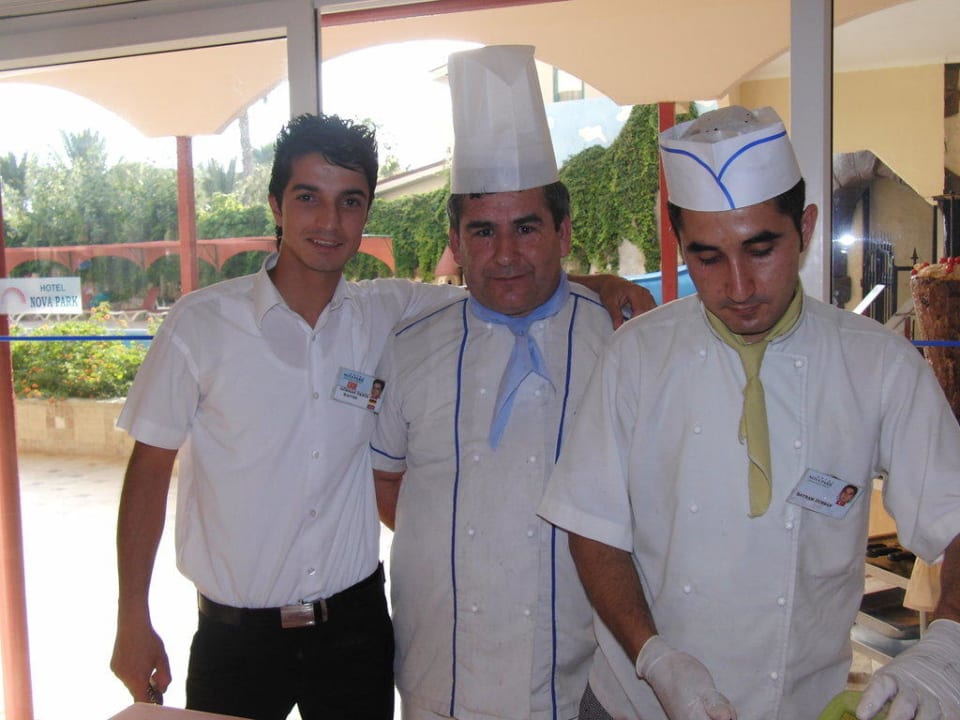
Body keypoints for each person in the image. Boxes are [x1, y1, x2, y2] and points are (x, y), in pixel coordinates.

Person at [109, 112, 651, 720]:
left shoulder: (387, 311)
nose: (329, 221)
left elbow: (501, 280)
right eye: (308, 198)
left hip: (354, 633)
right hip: (237, 639)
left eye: (350, 201)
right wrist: (133, 618)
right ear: (276, 206)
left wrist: (599, 282)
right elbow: (148, 475)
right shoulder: (200, 325)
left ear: (366, 213)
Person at [538, 105, 960, 720]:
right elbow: (591, 525)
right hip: (633, 702)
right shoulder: (636, 355)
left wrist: (947, 644)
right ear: (681, 246)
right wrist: (654, 658)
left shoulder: (880, 365)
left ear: (806, 228)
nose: (738, 287)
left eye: (761, 250)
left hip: (802, 703)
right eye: (708, 258)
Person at [370, 45, 653, 720]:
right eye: (483, 231)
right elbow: (388, 488)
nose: (504, 255)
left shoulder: (622, 341)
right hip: (441, 669)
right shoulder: (410, 347)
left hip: (583, 679)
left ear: (563, 231)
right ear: (455, 240)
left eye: (525, 228)